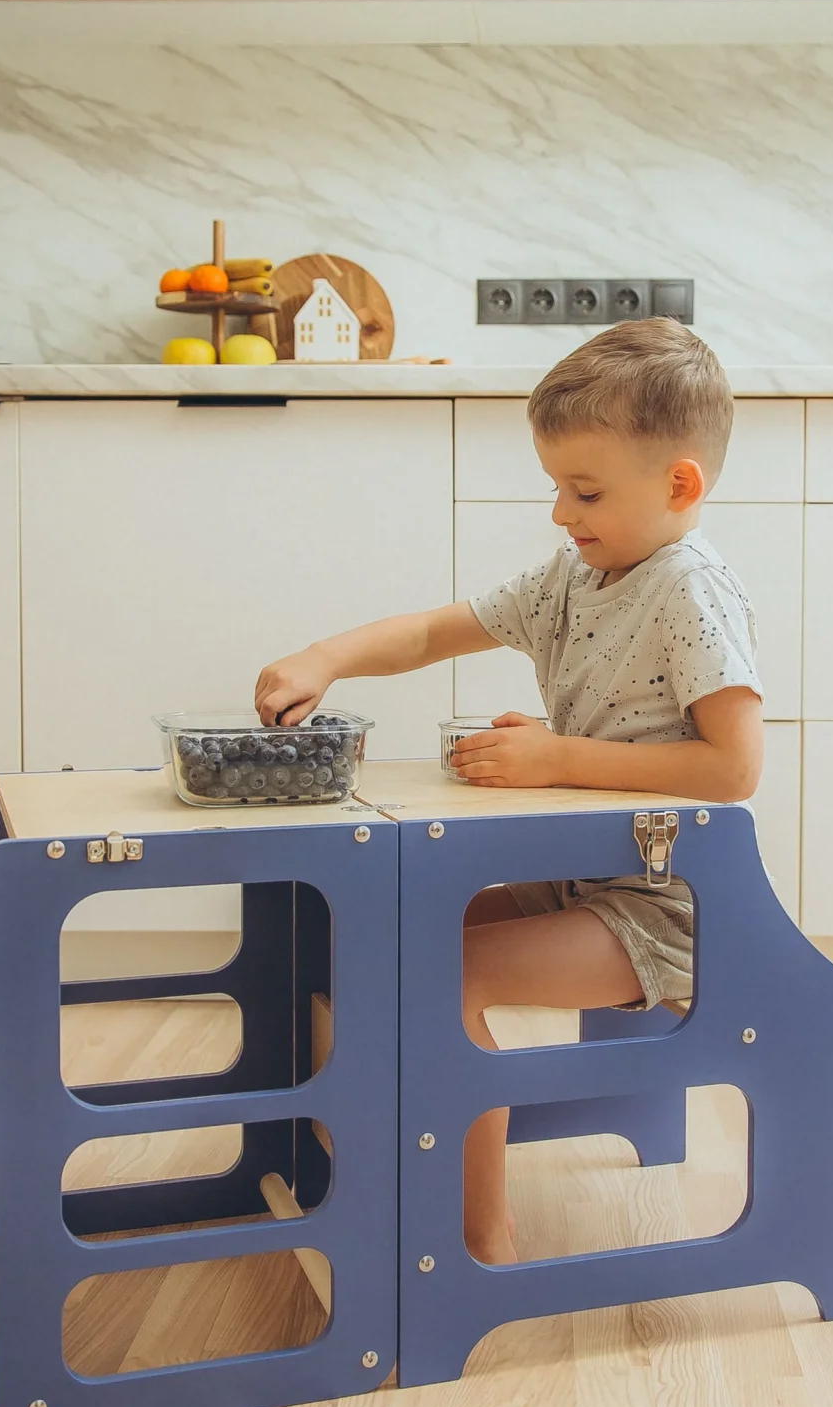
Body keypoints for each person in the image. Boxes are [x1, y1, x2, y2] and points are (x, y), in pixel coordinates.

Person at [254, 318, 763, 1264]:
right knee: (387, 932)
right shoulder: (577, 575)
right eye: (556, 487)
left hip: (664, 908)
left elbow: (733, 770)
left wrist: (560, 757)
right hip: (579, 877)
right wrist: (325, 657)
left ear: (680, 485)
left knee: (446, 974)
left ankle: (476, 1243)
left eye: (586, 491)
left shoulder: (691, 591)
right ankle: (371, 1170)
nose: (562, 513)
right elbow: (431, 633)